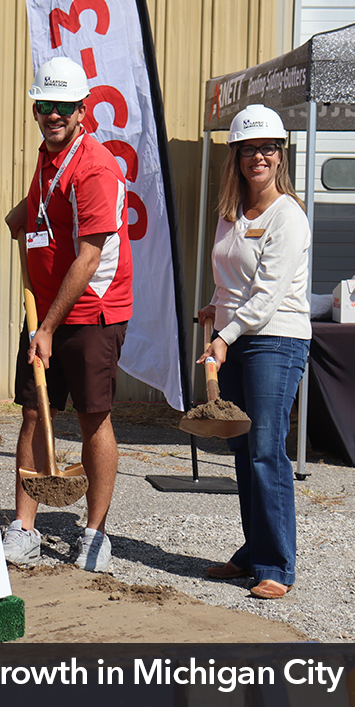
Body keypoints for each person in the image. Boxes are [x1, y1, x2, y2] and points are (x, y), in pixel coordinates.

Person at [2, 57, 132, 573]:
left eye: (62, 106)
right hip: (47, 311)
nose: (52, 114)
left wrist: (49, 328)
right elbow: (44, 205)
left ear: (82, 110)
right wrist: (19, 211)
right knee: (34, 413)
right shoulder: (47, 156)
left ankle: (96, 532)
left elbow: (89, 255)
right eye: (44, 105)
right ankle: (24, 527)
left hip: (91, 313)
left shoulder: (97, 167)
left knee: (91, 417)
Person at [198, 105, 310, 600]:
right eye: (249, 149)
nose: (258, 157)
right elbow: (235, 282)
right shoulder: (232, 213)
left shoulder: (289, 216)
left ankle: (277, 565)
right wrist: (214, 311)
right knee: (242, 449)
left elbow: (266, 298)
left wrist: (225, 336)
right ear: (236, 157)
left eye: (267, 148)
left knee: (266, 449)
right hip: (240, 337)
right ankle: (254, 550)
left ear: (280, 155)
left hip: (275, 340)